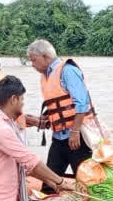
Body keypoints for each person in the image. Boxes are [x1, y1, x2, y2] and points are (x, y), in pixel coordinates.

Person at [27, 39, 96, 191]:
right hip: (59, 138)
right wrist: (46, 117)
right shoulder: (46, 75)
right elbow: (57, 104)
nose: (32, 64)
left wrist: (75, 131)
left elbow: (81, 103)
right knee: (49, 182)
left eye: (33, 60)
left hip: (77, 138)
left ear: (45, 56)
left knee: (85, 182)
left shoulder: (67, 70)